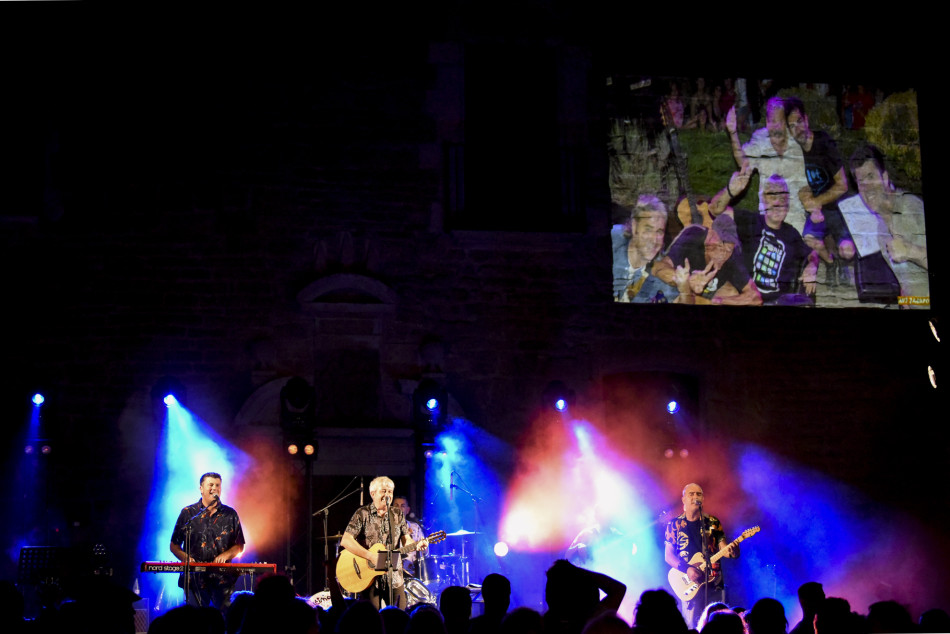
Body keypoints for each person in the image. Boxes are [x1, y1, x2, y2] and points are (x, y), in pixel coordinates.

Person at [708, 166, 819, 303]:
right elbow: (715, 210)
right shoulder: (750, 220)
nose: (777, 203)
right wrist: (730, 192)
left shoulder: (791, 234)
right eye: (772, 197)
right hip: (743, 297)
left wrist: (812, 267)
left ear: (788, 206)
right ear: (764, 201)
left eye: (782, 199)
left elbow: (812, 254)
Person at [839, 143, 929, 304]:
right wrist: (906, 302)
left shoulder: (910, 207)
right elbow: (907, 285)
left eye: (871, 177)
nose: (866, 187)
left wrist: (911, 250)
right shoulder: (881, 230)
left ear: (885, 178)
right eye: (861, 182)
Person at [784, 96, 856, 281]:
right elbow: (802, 187)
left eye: (799, 121)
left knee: (847, 250)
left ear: (806, 119)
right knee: (808, 239)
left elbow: (843, 185)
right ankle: (832, 263)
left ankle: (843, 256)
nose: (797, 129)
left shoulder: (824, 142)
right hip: (818, 211)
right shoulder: (795, 152)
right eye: (791, 126)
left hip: (838, 207)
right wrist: (811, 206)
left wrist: (816, 202)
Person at [341, 476, 428, 609]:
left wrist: (416, 544)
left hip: (395, 576)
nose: (387, 495)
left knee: (399, 615)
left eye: (390, 492)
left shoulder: (397, 514)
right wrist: (370, 556)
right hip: (369, 576)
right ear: (373, 494)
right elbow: (346, 540)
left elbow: (406, 540)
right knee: (372, 616)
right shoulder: (362, 513)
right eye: (383, 491)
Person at [725, 98, 810, 234]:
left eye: (780, 121)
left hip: (797, 217)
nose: (775, 126)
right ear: (766, 122)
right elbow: (743, 163)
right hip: (769, 217)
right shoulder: (760, 139)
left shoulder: (796, 139)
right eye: (771, 121)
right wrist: (733, 133)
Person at [664, 483, 738, 629]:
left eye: (698, 494)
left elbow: (724, 549)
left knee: (719, 626)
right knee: (692, 626)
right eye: (691, 494)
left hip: (714, 583)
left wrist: (733, 551)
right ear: (683, 499)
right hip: (689, 584)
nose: (695, 497)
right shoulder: (674, 524)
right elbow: (668, 556)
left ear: (703, 499)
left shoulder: (713, 522)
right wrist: (687, 569)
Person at [169, 471, 246, 610]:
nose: (214, 488)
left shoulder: (230, 514)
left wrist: (225, 555)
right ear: (201, 488)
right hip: (194, 579)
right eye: (210, 485)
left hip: (222, 579)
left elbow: (239, 545)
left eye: (217, 485)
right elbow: (174, 545)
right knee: (195, 619)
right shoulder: (188, 513)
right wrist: (185, 557)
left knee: (226, 617)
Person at [653, 212, 762, 305]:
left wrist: (718, 301)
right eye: (719, 246)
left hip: (709, 292)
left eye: (728, 249)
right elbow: (658, 267)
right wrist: (686, 282)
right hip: (676, 287)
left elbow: (755, 297)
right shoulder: (692, 237)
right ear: (709, 236)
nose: (723, 254)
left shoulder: (733, 254)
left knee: (731, 293)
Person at [612, 195, 676, 303]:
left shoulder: (662, 276)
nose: (654, 240)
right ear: (634, 227)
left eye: (659, 232)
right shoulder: (613, 240)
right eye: (648, 230)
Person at [393, 496, 428, 578]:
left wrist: (424, 546)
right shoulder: (385, 526)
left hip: (410, 574)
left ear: (407, 510)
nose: (399, 508)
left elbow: (425, 553)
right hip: (390, 573)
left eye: (402, 506)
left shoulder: (415, 527)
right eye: (396, 505)